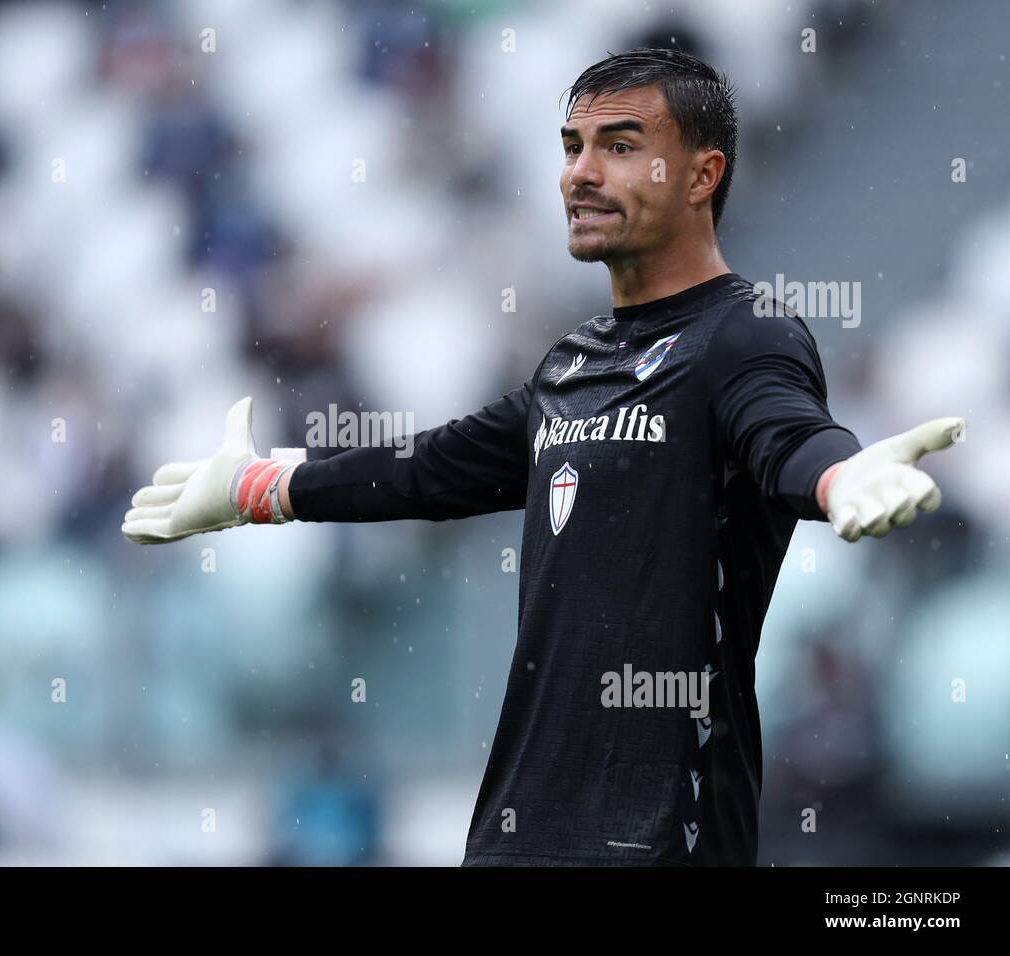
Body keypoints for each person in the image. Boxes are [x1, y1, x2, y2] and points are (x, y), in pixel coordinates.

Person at [121, 49, 964, 866]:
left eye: (620, 147)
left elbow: (785, 432)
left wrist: (839, 473)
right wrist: (260, 486)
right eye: (572, 147)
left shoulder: (744, 336)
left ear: (702, 176)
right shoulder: (570, 364)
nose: (579, 174)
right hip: (516, 834)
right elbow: (424, 470)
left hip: (663, 835)